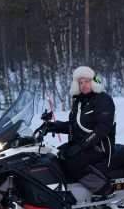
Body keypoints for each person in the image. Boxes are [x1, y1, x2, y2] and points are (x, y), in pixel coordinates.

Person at [45, 66, 116, 196]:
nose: (84, 85)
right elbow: (75, 126)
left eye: (87, 82)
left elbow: (103, 128)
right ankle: (69, 192)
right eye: (81, 83)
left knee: (74, 160)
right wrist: (55, 126)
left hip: (100, 146)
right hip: (83, 145)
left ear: (93, 82)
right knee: (55, 156)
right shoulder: (79, 102)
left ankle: (104, 189)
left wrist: (81, 145)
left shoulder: (103, 99)